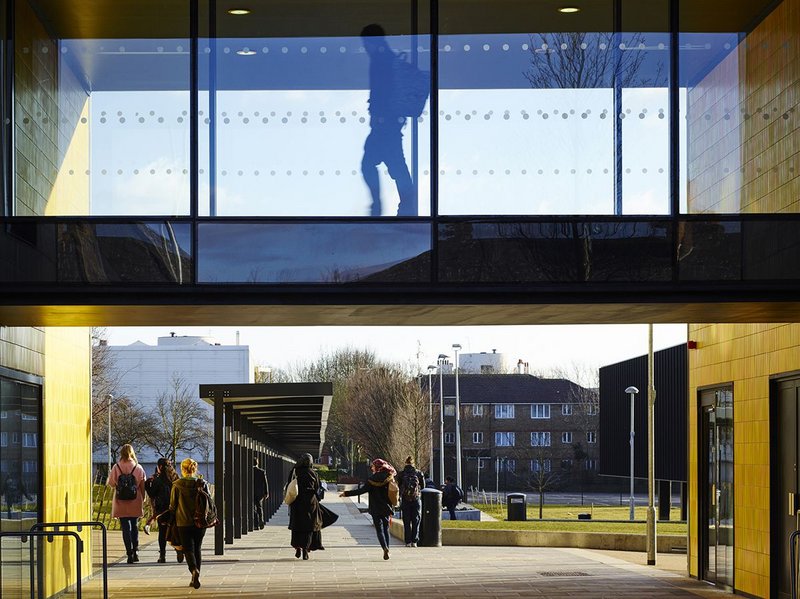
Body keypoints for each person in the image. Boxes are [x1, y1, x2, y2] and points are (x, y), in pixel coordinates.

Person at [360, 23, 417, 217]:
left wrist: (378, 116)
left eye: (366, 43)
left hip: (385, 123)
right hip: (388, 122)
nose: (365, 47)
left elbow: (381, 92)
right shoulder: (386, 59)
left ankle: (385, 205)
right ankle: (407, 204)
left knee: (374, 163)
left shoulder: (381, 61)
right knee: (394, 163)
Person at [340, 458, 397, 560]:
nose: (371, 467)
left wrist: (346, 493)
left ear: (377, 467)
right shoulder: (389, 477)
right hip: (386, 508)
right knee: (386, 529)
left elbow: (361, 491)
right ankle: (388, 548)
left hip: (375, 508)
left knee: (379, 530)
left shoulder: (371, 479)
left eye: (373, 466)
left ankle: (384, 547)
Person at [169, 458, 206, 589]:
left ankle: (193, 570)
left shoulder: (177, 485)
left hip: (182, 522)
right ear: (194, 469)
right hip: (200, 523)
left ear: (183, 469)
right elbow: (208, 503)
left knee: (188, 549)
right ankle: (196, 576)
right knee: (197, 549)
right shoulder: (202, 483)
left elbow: (172, 506)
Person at [106, 444, 146, 564]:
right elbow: (142, 485)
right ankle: (136, 551)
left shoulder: (116, 467)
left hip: (121, 501)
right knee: (134, 526)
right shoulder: (138, 467)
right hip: (135, 500)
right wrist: (143, 498)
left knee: (125, 528)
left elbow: (112, 484)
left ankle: (128, 553)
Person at [144, 458, 181, 563]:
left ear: (159, 467)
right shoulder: (176, 477)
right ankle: (178, 550)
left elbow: (152, 494)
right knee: (175, 531)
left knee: (162, 533)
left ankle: (163, 555)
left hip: (162, 510)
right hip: (175, 509)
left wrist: (147, 484)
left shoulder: (158, 479)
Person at [287, 453, 323, 560]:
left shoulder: (295, 472)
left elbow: (289, 484)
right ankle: (305, 549)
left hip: (297, 502)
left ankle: (297, 547)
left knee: (297, 526)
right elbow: (318, 487)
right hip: (310, 503)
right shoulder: (313, 473)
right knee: (309, 527)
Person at [397, 456, 425, 547]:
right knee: (416, 520)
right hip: (416, 499)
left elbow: (399, 486)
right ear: (413, 463)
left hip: (405, 499)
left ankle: (408, 542)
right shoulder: (418, 473)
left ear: (405, 462)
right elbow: (423, 486)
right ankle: (414, 541)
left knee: (406, 521)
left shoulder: (401, 474)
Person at [253, 458, 269, 530]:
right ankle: (261, 520)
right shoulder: (262, 471)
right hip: (259, 493)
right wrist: (266, 492)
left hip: (251, 492)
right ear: (257, 463)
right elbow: (265, 483)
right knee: (259, 507)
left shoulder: (248, 471)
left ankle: (256, 525)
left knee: (253, 509)